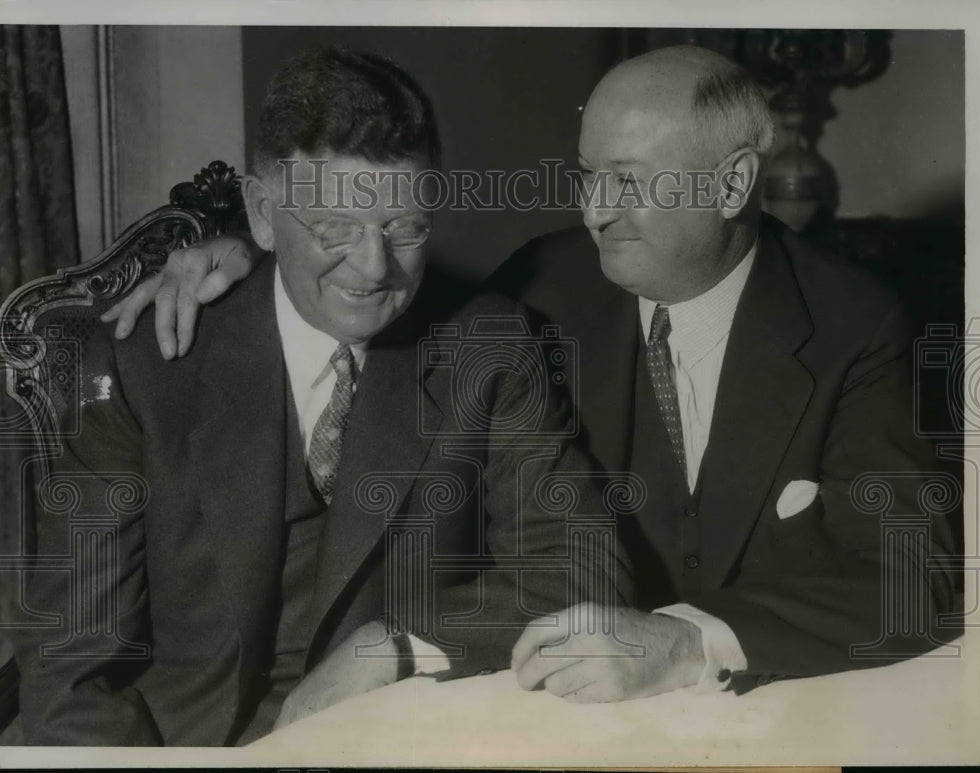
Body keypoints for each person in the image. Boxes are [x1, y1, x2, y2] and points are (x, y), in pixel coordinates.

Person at [103, 45, 958, 704]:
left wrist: (694, 641)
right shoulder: (547, 282)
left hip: (776, 701)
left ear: (733, 182)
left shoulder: (855, 321)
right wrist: (228, 258)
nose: (593, 211)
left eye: (627, 182)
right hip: (552, 707)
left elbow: (916, 575)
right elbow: (374, 287)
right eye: (587, 176)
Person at [13, 47, 631, 746]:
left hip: (397, 747)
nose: (373, 269)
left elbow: (583, 570)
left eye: (405, 228)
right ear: (262, 213)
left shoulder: (488, 344)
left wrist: (391, 647)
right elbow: (71, 665)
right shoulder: (143, 365)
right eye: (335, 228)